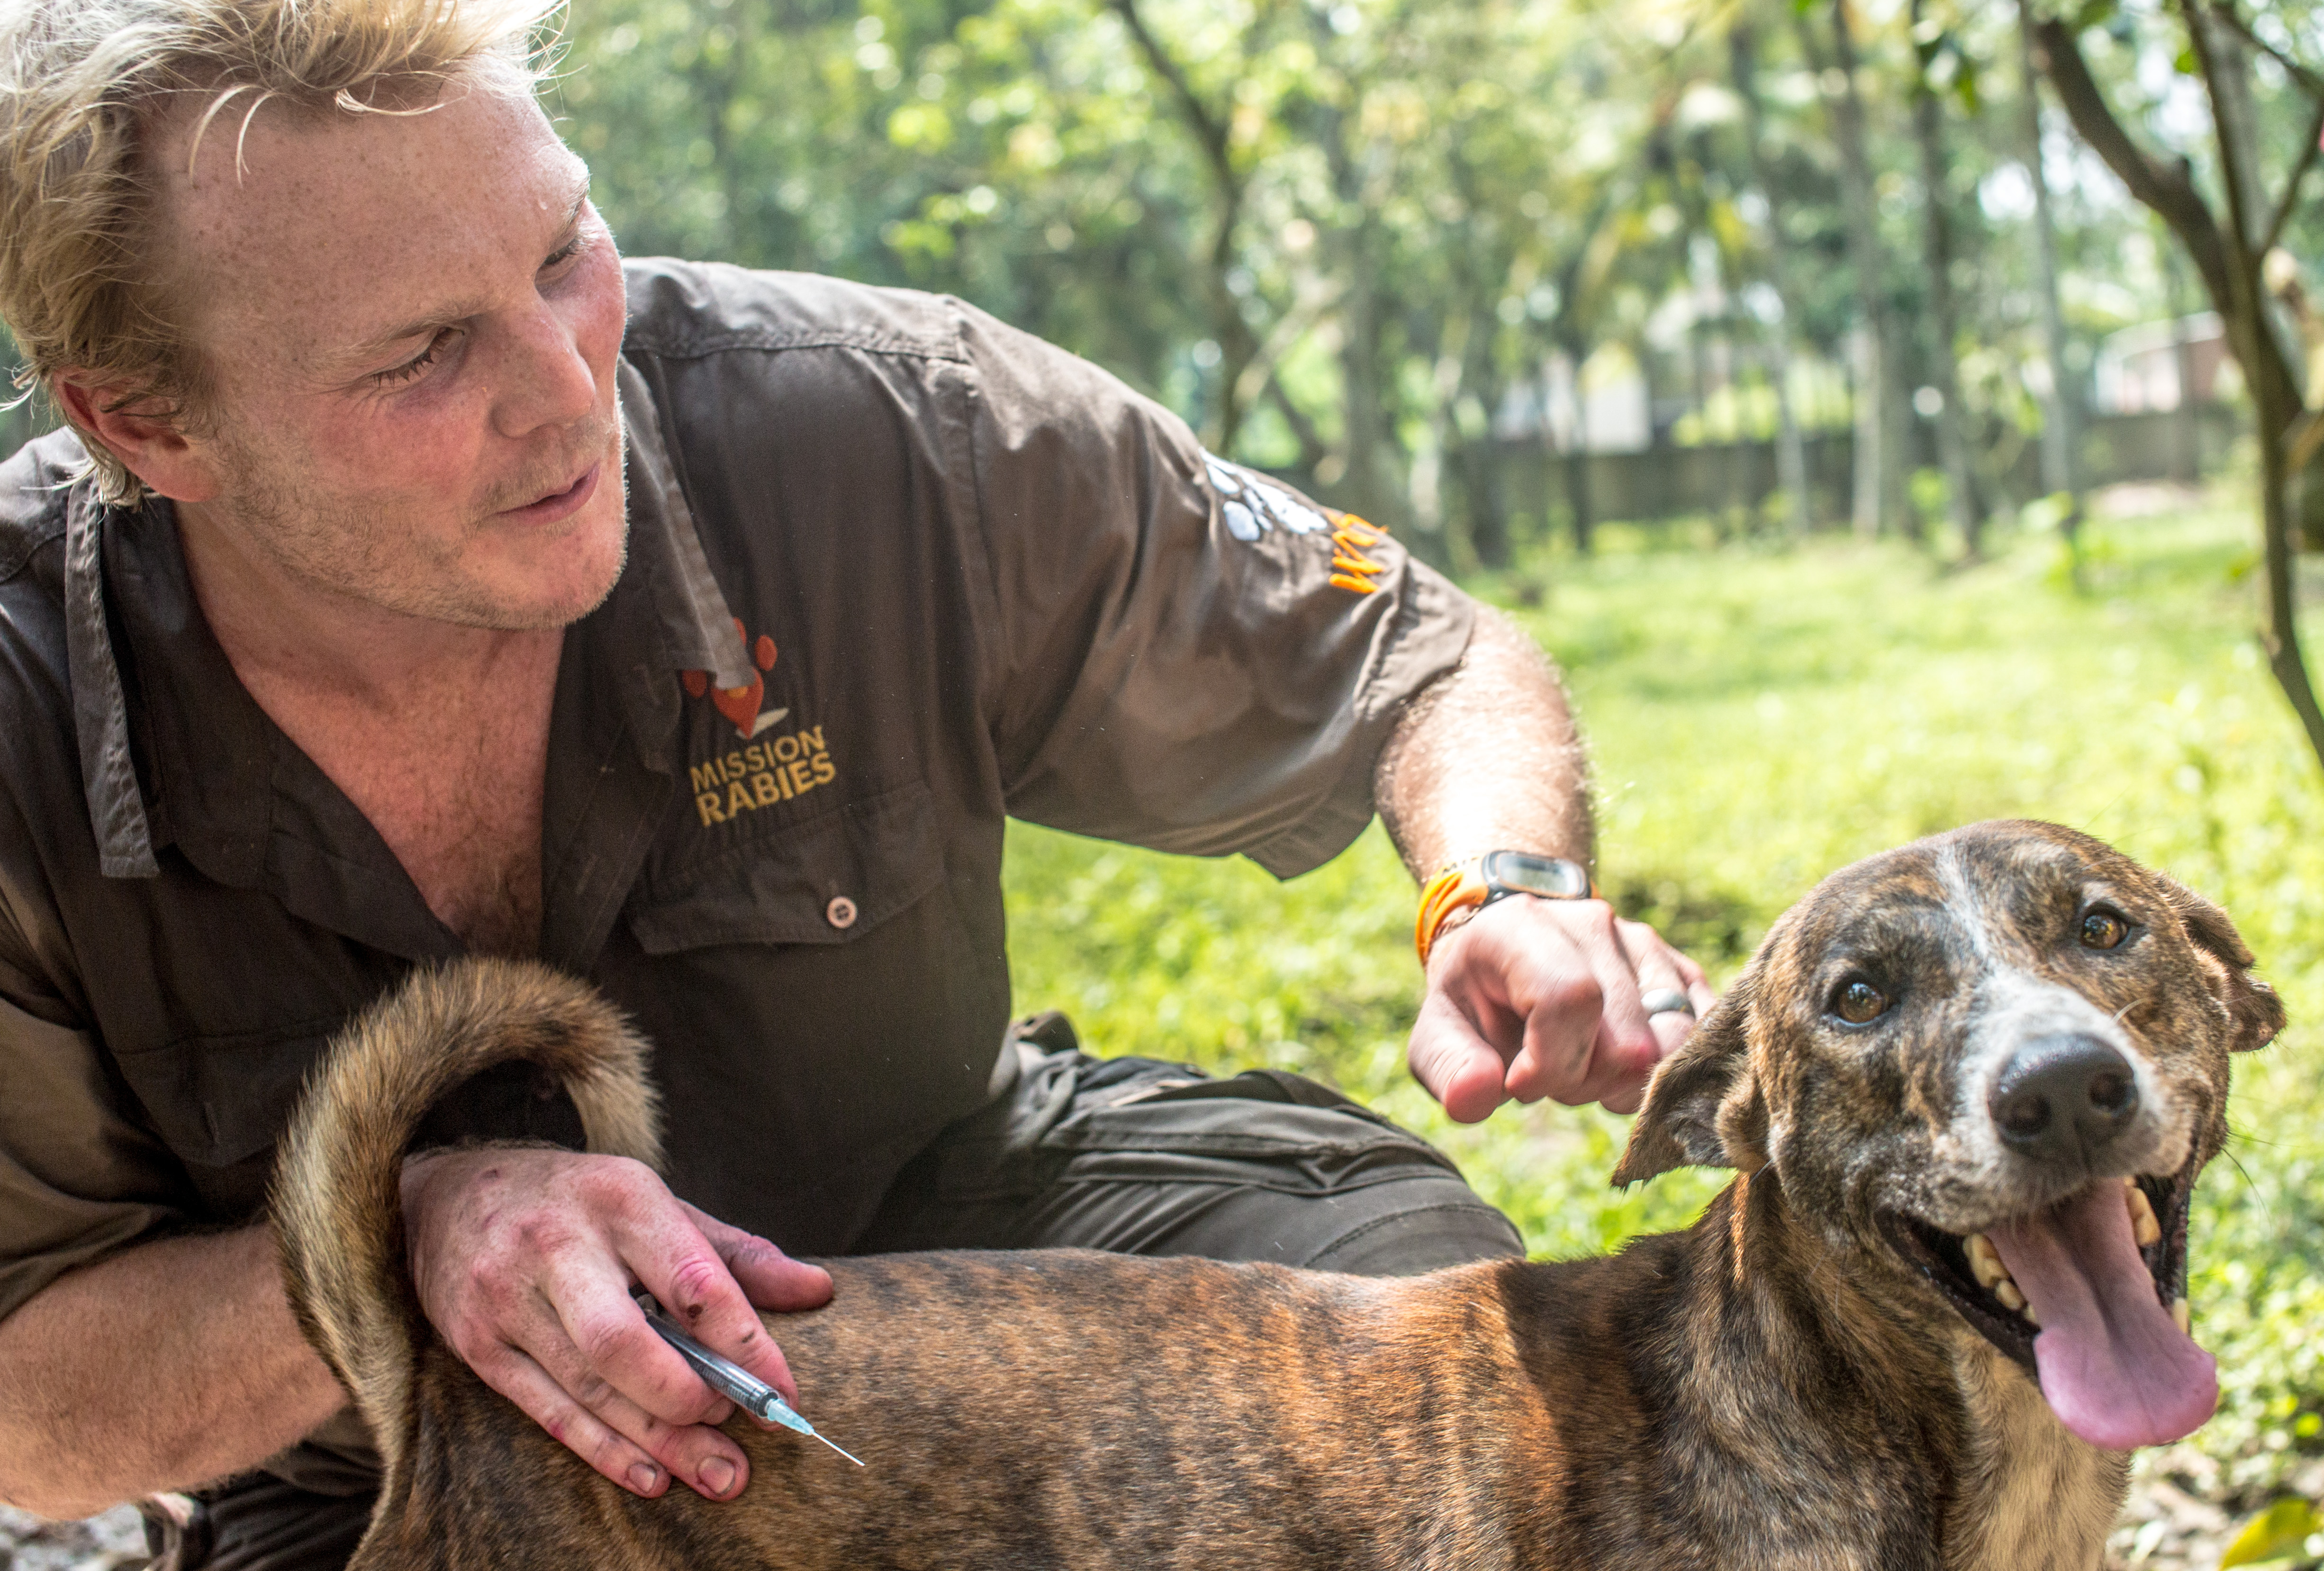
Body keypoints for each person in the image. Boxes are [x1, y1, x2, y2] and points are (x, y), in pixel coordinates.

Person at [0, 2, 1712, 1566]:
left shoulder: (876, 428)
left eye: (561, 248)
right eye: (422, 355)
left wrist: (1500, 887)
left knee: (1455, 1367)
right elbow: (33, 1410)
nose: (564, 384)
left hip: (977, 1223)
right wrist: (388, 1238)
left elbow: (1406, 654)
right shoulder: (21, 712)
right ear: (146, 425)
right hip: (421, 1453)